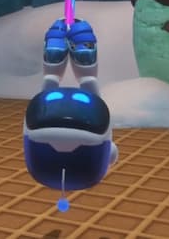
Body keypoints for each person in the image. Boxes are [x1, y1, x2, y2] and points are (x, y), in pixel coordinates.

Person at [23, 18, 118, 194]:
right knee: (84, 84)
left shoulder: (40, 113)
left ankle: (57, 56)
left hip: (47, 126)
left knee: (53, 85)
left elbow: (111, 154)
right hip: (78, 129)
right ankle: (73, 57)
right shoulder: (96, 122)